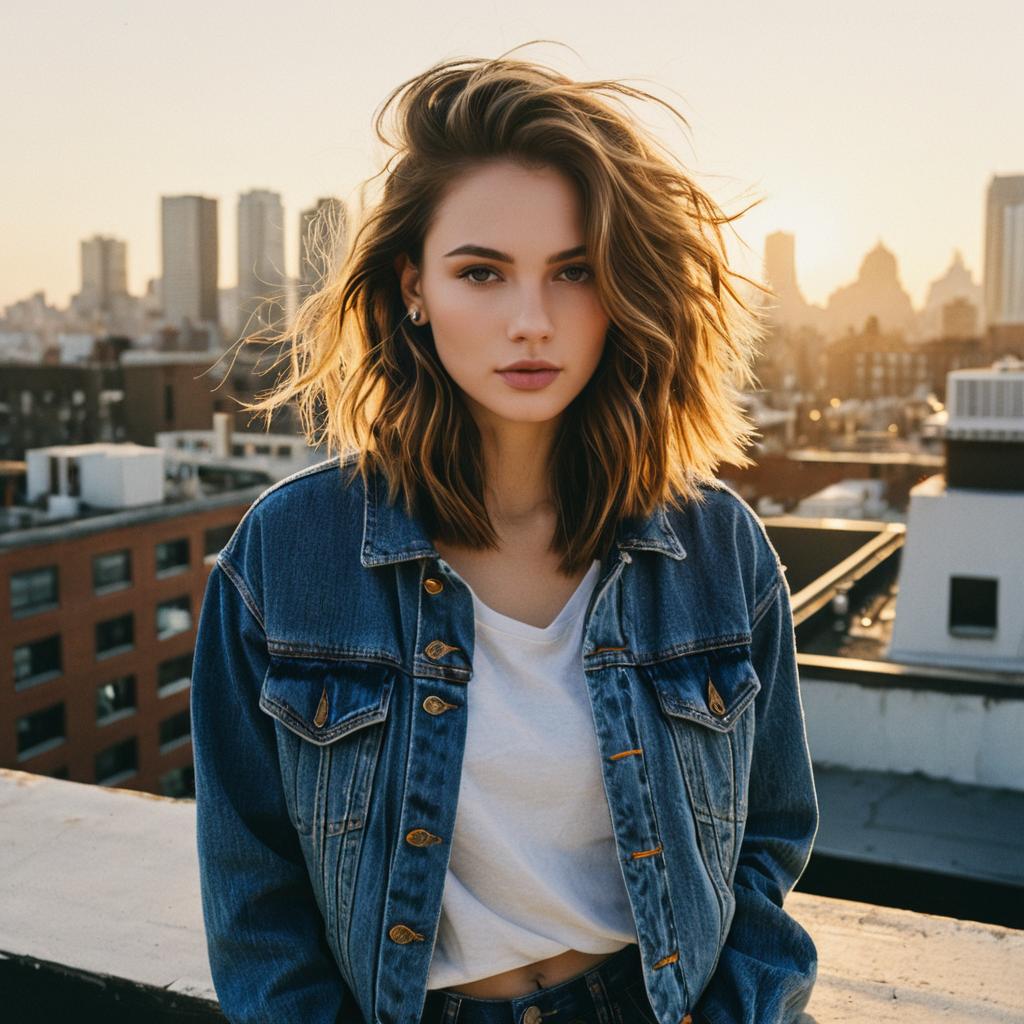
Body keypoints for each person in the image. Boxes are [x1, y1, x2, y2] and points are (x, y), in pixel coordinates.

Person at [191, 43, 819, 1024]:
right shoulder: (289, 555)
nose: (532, 320)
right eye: (481, 272)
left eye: (574, 272)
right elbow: (253, 894)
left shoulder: (714, 547)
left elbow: (769, 837)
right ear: (412, 286)